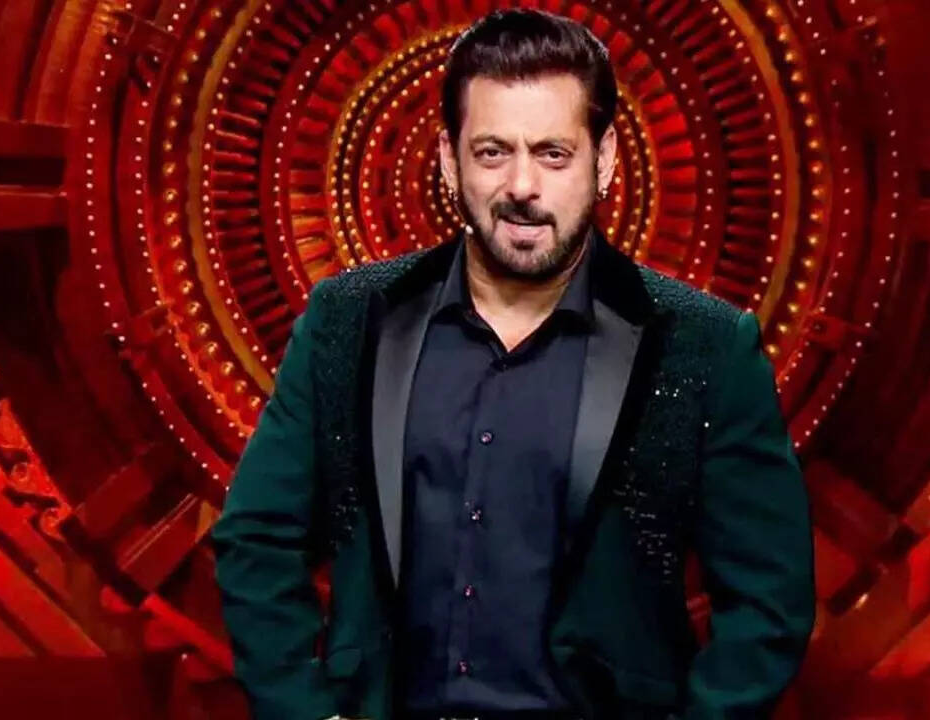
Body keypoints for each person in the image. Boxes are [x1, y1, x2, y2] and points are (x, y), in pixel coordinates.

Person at [211, 9, 815, 720]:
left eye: (553, 154)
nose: (522, 185)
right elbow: (256, 539)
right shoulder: (348, 320)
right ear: (449, 159)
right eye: (493, 152)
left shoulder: (706, 344)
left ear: (605, 159)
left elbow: (770, 600)